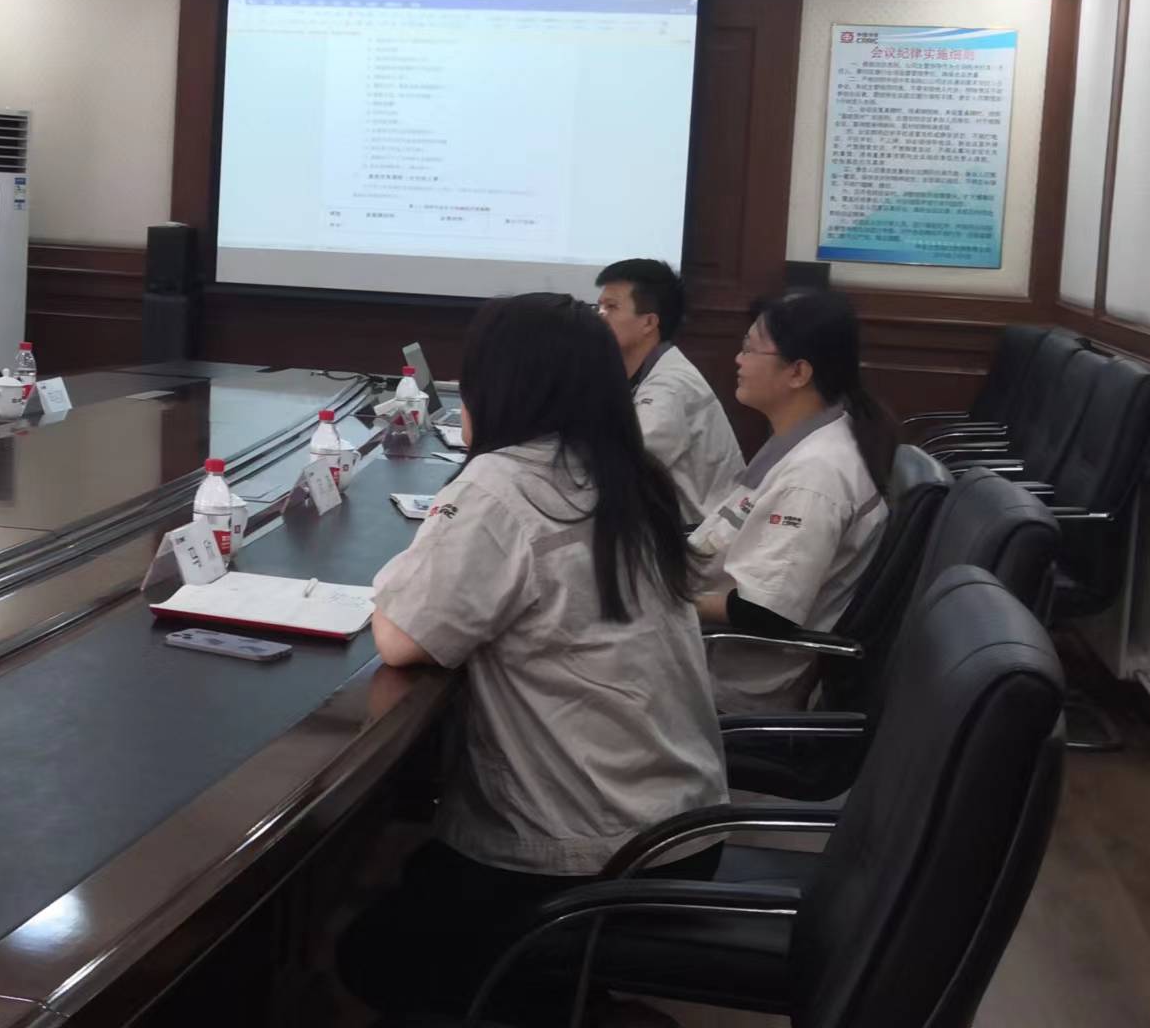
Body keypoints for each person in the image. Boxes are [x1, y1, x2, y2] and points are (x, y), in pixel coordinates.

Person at [340, 293, 729, 1021]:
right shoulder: (625, 474)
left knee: (370, 952)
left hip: (585, 854)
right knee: (418, 872)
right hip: (678, 826)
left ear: (501, 384)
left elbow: (400, 635)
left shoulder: (505, 484)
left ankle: (544, 1003)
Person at [688, 287, 895, 714]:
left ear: (798, 372)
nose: (738, 360)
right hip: (708, 652)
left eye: (749, 349)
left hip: (737, 687)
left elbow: (763, 611)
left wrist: (669, 601)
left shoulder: (816, 474)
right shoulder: (805, 440)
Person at [594, 258, 744, 523]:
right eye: (599, 307)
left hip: (698, 536)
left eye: (611, 307)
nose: (599, 316)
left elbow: (625, 463)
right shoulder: (638, 371)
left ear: (649, 323)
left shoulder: (671, 385)